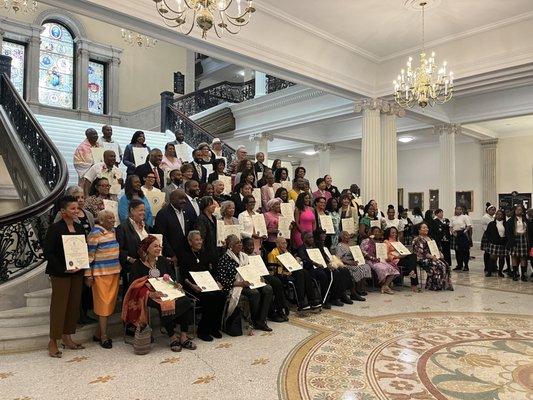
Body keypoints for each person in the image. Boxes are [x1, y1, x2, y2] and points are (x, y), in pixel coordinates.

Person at [126, 236, 196, 352]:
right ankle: (172, 337)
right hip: (149, 295)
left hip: (167, 291)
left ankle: (183, 336)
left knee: (185, 301)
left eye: (159, 246)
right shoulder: (138, 265)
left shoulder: (163, 261)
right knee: (165, 304)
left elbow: (171, 277)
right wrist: (150, 293)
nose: (159, 248)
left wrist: (176, 285)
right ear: (147, 248)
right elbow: (134, 286)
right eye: (155, 246)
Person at [44, 196, 86, 358]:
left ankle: (67, 337)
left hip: (77, 272)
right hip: (60, 273)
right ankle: (53, 341)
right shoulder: (55, 228)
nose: (76, 211)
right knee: (59, 306)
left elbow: (83, 248)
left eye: (77, 208)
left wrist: (82, 264)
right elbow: (49, 253)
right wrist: (63, 268)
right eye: (73, 208)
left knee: (73, 305)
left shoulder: (79, 227)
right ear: (63, 211)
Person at [52, 187, 95, 325]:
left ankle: (82, 314)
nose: (81, 200)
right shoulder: (61, 217)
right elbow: (57, 237)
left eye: (82, 197)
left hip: (84, 255)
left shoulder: (87, 214)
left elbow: (92, 232)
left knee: (82, 289)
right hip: (67, 258)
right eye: (77, 198)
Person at [215, 234, 273, 331]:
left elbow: (252, 270)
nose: (240, 244)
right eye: (237, 243)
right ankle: (255, 321)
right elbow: (222, 280)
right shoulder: (224, 259)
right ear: (230, 246)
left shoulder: (244, 256)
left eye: (240, 242)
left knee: (268, 288)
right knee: (254, 293)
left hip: (249, 281)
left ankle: (261, 320)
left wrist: (259, 278)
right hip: (236, 286)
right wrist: (240, 284)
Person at [181, 231, 226, 341]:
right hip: (192, 287)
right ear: (190, 242)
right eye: (196, 240)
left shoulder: (204, 254)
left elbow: (210, 271)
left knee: (221, 295)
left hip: (206, 284)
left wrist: (216, 282)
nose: (200, 242)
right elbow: (183, 276)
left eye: (200, 239)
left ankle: (214, 327)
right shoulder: (184, 255)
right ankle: (203, 330)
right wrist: (192, 286)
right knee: (210, 297)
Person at [85, 210, 121, 349]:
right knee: (103, 305)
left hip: (114, 272)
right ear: (102, 220)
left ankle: (98, 333)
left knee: (110, 305)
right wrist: (88, 275)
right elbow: (89, 256)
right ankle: (104, 336)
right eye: (109, 218)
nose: (113, 220)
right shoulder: (95, 233)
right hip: (100, 274)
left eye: (113, 218)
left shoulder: (114, 231)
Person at [241, 237, 288, 323]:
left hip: (262, 273)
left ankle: (280, 309)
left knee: (277, 282)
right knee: (267, 287)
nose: (251, 247)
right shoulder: (242, 257)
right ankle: (272, 313)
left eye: (252, 245)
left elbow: (261, 266)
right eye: (249, 246)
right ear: (243, 247)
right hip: (252, 277)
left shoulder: (255, 254)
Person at [267, 237, 319, 311]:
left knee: (305, 272)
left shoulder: (286, 252)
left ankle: (312, 300)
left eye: (286, 243)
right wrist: (285, 272)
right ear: (277, 244)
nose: (285, 245)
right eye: (283, 243)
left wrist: (296, 261)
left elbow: (292, 263)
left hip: (291, 271)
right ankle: (301, 302)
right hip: (281, 275)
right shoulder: (272, 254)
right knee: (300, 273)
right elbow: (272, 269)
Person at [116, 199, 149, 296]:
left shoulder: (145, 225)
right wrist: (130, 259)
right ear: (132, 210)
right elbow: (119, 250)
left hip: (146, 265)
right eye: (140, 210)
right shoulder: (122, 227)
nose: (143, 213)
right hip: (132, 267)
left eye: (144, 210)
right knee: (132, 296)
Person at [412, 223, 454, 291]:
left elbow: (435, 248)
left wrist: (440, 253)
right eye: (424, 228)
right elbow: (421, 252)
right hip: (423, 258)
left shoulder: (430, 238)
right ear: (419, 230)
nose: (426, 229)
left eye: (427, 227)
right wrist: (431, 257)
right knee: (438, 265)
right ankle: (433, 285)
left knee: (445, 264)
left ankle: (443, 284)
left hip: (433, 257)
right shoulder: (417, 239)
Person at [154, 189, 192, 262]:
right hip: (171, 256)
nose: (184, 201)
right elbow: (162, 236)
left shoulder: (186, 212)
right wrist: (171, 254)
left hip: (185, 253)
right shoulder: (163, 214)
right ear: (172, 199)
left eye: (185, 198)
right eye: (181, 198)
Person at [360, 226, 400, 294]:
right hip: (370, 260)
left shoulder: (381, 242)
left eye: (378, 232)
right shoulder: (366, 241)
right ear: (372, 233)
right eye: (375, 231)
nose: (377, 233)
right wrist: (372, 258)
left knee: (392, 269)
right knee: (383, 269)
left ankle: (385, 286)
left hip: (380, 260)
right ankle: (383, 286)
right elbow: (362, 251)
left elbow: (383, 253)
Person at [335, 231, 370, 301]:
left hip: (354, 261)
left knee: (366, 266)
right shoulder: (340, 246)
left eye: (348, 235)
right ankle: (355, 291)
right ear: (341, 237)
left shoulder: (351, 245)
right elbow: (338, 258)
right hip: (346, 263)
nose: (348, 237)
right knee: (357, 269)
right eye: (346, 235)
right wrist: (350, 262)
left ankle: (361, 288)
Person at [383, 226, 419, 292]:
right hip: (395, 260)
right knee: (411, 264)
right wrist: (397, 257)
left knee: (413, 256)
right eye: (393, 233)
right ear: (388, 233)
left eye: (396, 233)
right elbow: (386, 254)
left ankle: (411, 271)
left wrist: (405, 252)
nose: (395, 234)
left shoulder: (397, 241)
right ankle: (414, 284)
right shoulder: (386, 241)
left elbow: (402, 250)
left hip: (402, 257)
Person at [505, 204, 529, 281]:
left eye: (521, 209)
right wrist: (511, 242)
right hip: (514, 239)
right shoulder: (510, 220)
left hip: (524, 239)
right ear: (514, 211)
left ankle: (523, 275)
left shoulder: (525, 219)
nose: (519, 211)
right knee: (514, 257)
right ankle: (515, 274)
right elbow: (508, 232)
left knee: (523, 257)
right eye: (518, 209)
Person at [195, 196, 219, 268]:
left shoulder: (214, 218)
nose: (214, 206)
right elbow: (201, 237)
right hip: (206, 253)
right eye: (212, 204)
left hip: (215, 251)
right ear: (206, 206)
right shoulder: (201, 219)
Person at [485, 209, 508, 277]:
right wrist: (491, 240)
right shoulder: (492, 223)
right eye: (497, 214)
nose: (499, 216)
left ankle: (500, 272)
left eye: (501, 214)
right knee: (492, 258)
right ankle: (489, 271)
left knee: (501, 258)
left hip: (503, 243)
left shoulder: (506, 224)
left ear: (503, 215)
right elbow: (487, 233)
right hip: (494, 243)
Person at [450, 205, 472, 272]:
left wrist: (464, 231)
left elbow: (469, 226)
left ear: (461, 210)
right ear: (455, 210)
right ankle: (459, 265)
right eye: (457, 209)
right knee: (457, 251)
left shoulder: (464, 217)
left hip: (463, 234)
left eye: (460, 209)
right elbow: (450, 226)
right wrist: (453, 232)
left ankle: (466, 265)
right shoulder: (452, 218)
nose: (458, 211)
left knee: (465, 251)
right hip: (455, 234)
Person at [481, 204, 497, 275]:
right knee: (487, 252)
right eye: (492, 210)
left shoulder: (492, 217)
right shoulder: (486, 217)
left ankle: (493, 266)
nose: (493, 211)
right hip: (487, 235)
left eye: (494, 210)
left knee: (492, 252)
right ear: (488, 210)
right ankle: (487, 267)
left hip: (493, 235)